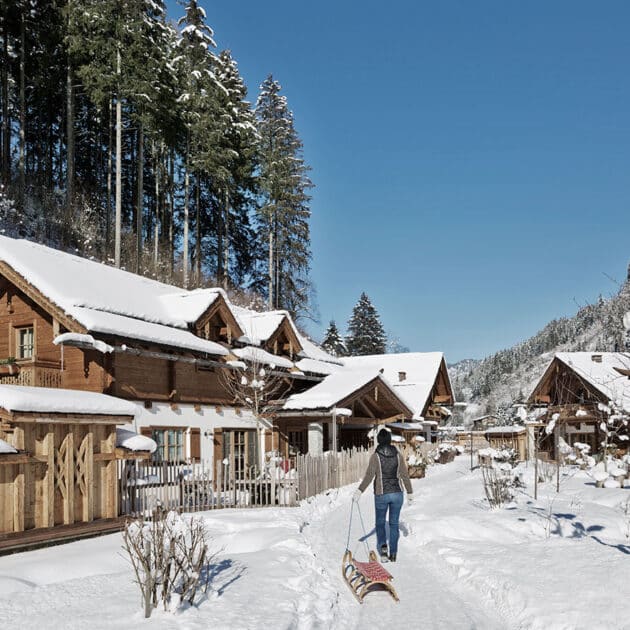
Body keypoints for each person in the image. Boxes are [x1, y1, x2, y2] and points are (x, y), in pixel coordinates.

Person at [353, 429, 413, 562]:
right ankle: (394, 553)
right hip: (397, 494)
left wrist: (359, 491)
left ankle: (383, 548)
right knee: (393, 524)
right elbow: (404, 475)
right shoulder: (398, 455)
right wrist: (409, 492)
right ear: (390, 440)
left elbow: (369, 476)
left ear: (379, 440)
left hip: (381, 494)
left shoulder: (376, 456)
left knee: (380, 523)